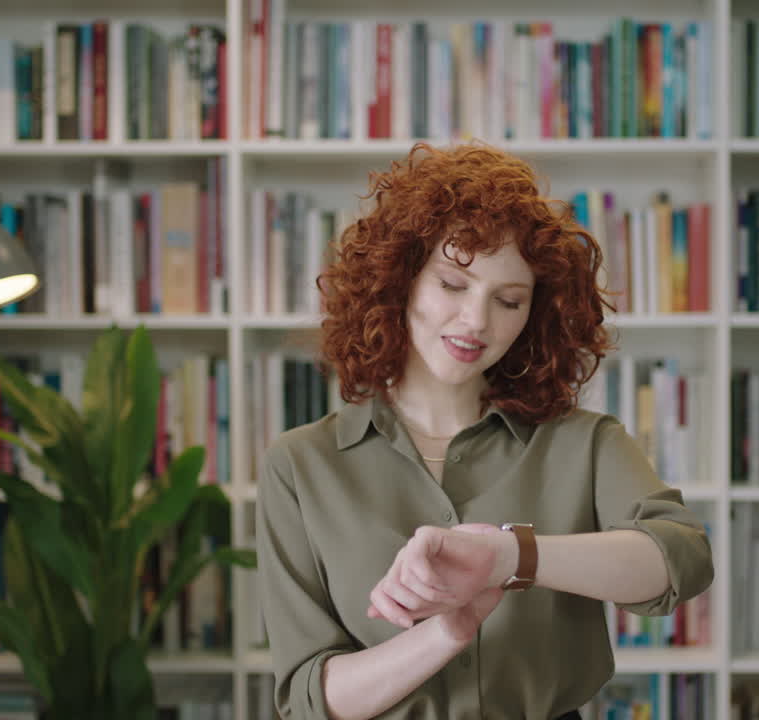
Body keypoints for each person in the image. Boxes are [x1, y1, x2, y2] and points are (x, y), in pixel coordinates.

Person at [254, 142, 714, 720]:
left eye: (509, 300)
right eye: (452, 284)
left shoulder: (582, 441)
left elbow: (681, 559)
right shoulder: (300, 464)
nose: (477, 321)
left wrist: (508, 556)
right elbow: (311, 698)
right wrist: (446, 633)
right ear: (400, 283)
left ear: (533, 314)